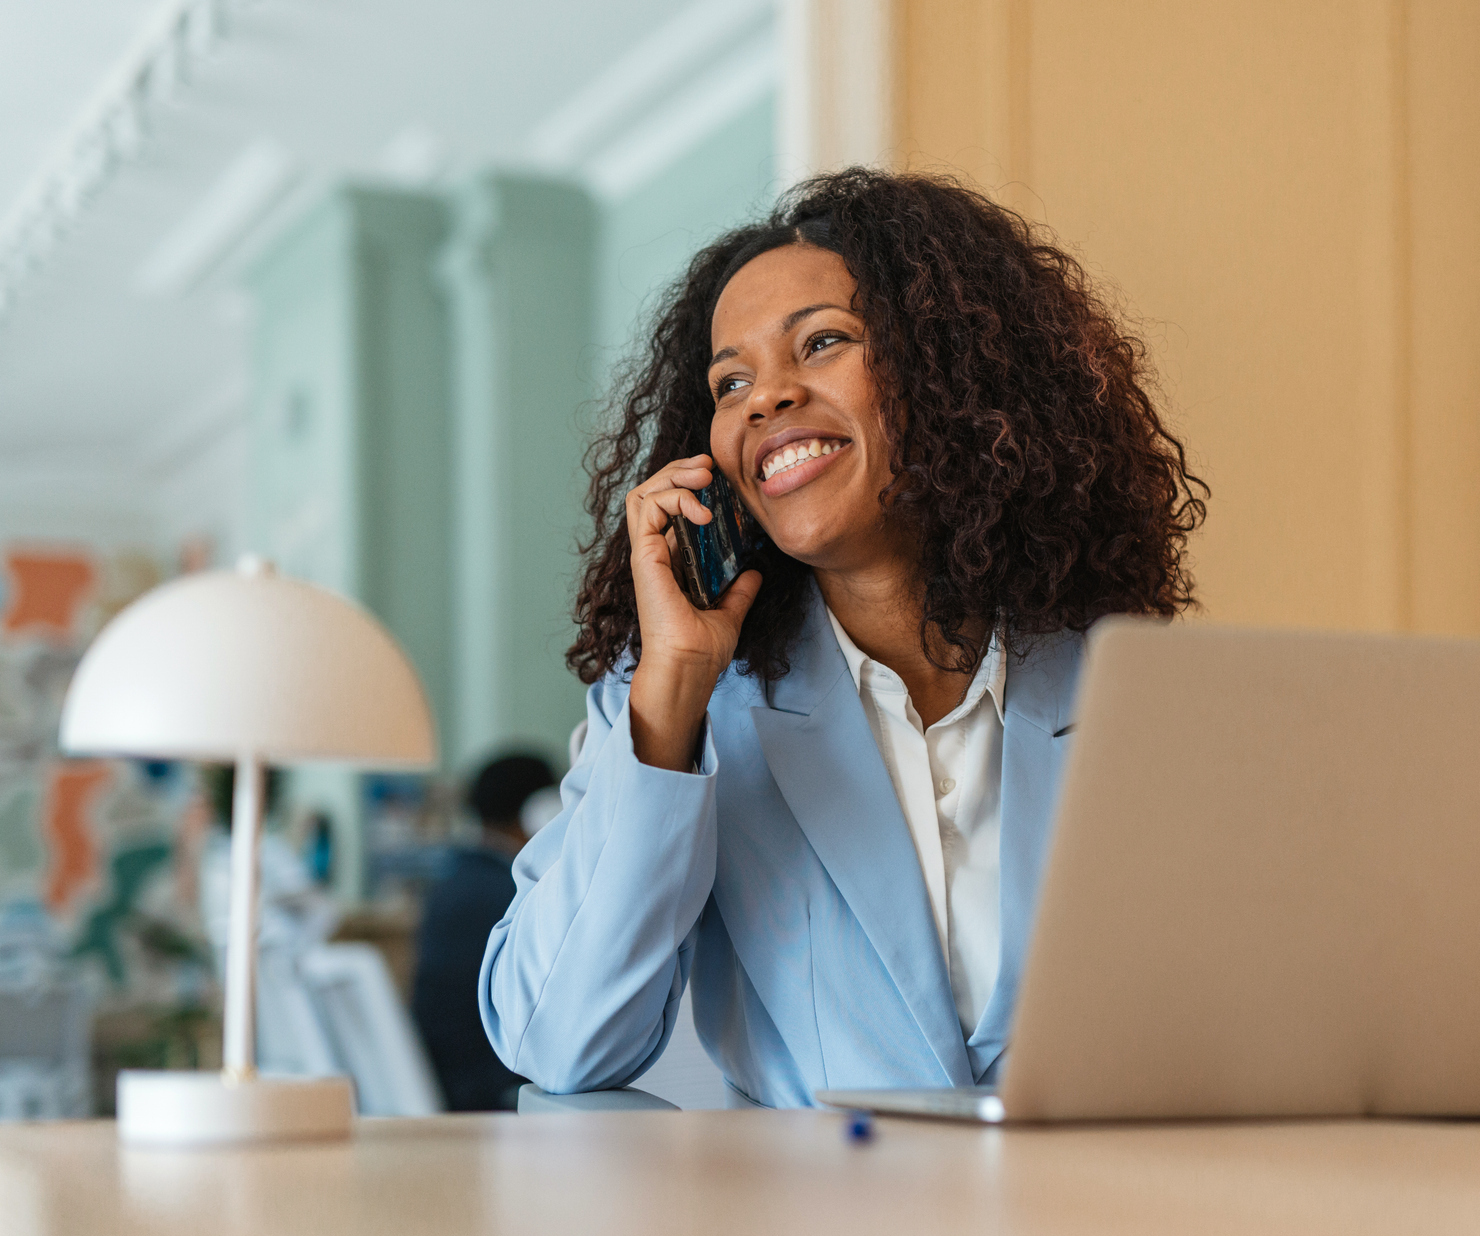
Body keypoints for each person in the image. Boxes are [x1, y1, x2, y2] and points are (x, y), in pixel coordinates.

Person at [481, 169, 1206, 1106]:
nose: (764, 400)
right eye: (729, 380)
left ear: (953, 372)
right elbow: (556, 1042)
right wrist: (670, 700)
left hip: (1109, 1229)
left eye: (821, 343)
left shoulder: (1130, 685)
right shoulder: (682, 702)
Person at [414, 752, 555, 1110]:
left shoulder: (455, 881)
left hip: (453, 1083)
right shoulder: (511, 897)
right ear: (540, 811)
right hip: (491, 1092)